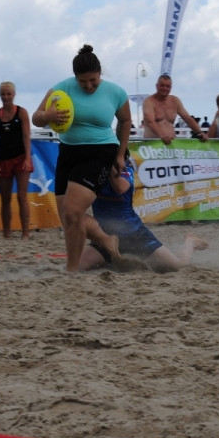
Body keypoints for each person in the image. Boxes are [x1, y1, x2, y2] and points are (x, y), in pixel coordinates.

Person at [32, 44, 132, 272]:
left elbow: (125, 121)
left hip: (100, 151)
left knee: (73, 211)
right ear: (75, 77)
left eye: (93, 81)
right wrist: (47, 115)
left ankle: (72, 269)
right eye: (83, 81)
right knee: (67, 218)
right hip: (68, 152)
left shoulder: (115, 92)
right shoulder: (61, 89)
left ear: (100, 73)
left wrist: (120, 154)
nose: (88, 85)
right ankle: (107, 240)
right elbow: (36, 118)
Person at [80, 152, 208, 272]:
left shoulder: (127, 172)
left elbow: (119, 187)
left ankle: (190, 241)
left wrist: (107, 162)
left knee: (179, 267)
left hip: (135, 236)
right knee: (74, 267)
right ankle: (111, 258)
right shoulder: (94, 175)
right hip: (105, 239)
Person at [0, 81, 33, 239]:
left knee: (22, 196)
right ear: (0, 95)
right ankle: (7, 233)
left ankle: (25, 233)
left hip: (21, 158)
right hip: (3, 160)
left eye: (8, 94)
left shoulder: (22, 112)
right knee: (5, 198)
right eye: (3, 94)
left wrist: (28, 158)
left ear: (14, 94)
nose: (6, 97)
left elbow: (26, 136)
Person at [141, 75, 207, 144]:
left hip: (171, 146)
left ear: (171, 87)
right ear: (156, 86)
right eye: (162, 85)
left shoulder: (175, 101)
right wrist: (162, 135)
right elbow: (150, 121)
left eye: (167, 86)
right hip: (152, 147)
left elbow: (187, 118)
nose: (164, 88)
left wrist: (199, 132)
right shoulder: (149, 102)